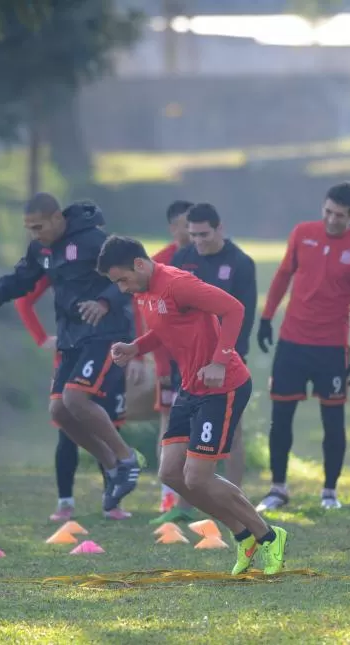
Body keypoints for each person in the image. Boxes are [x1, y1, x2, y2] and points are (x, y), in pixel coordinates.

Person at [99, 235, 288, 576]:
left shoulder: (177, 283)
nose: (122, 288)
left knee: (198, 476)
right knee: (170, 472)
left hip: (223, 385)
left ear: (139, 265)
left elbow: (234, 309)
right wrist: (135, 348)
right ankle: (243, 534)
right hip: (190, 386)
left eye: (122, 279)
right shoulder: (144, 291)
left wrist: (219, 360)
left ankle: (269, 536)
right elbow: (165, 328)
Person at [0, 193, 141, 513]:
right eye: (29, 228)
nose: (34, 233)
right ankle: (112, 465)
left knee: (76, 399)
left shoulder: (94, 241)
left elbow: (129, 279)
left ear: (58, 218)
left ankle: (127, 459)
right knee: (59, 411)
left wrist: (102, 303)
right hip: (72, 338)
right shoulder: (40, 249)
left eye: (38, 226)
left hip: (106, 334)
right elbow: (22, 278)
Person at [255, 181, 350, 512]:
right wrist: (266, 317)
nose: (332, 220)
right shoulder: (302, 233)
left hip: (331, 348)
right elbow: (282, 276)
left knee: (333, 421)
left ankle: (329, 491)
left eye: (339, 215)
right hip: (292, 342)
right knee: (281, 418)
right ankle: (278, 488)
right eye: (328, 212)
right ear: (322, 208)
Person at [150, 203, 257, 524]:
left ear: (219, 228)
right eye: (192, 235)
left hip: (227, 362)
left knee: (232, 434)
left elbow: (242, 315)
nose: (198, 241)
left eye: (204, 235)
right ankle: (184, 507)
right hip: (188, 363)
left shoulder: (240, 263)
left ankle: (235, 501)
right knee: (184, 437)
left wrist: (222, 361)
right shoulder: (183, 258)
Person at [14, 273, 143, 521]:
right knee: (66, 425)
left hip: (108, 354)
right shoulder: (59, 262)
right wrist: (40, 337)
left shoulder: (109, 268)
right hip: (72, 357)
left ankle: (112, 501)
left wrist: (136, 354)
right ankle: (65, 503)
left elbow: (134, 304)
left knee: (108, 425)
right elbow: (23, 299)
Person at [150, 200, 193, 514]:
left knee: (194, 423)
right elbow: (149, 318)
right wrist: (160, 363)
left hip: (196, 357)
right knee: (168, 423)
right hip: (169, 357)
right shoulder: (159, 263)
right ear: (172, 227)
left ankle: (191, 495)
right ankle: (167, 494)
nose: (189, 230)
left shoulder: (201, 260)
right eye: (183, 223)